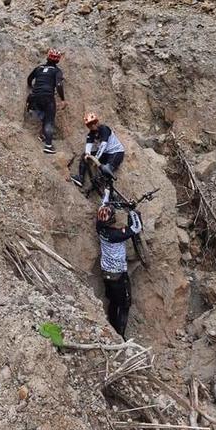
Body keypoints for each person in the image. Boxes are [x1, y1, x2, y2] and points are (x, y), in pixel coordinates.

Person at [96, 201, 140, 338]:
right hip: (118, 275)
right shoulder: (116, 235)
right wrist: (131, 211)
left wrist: (107, 198)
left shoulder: (99, 228)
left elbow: (103, 204)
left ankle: (112, 328)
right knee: (124, 304)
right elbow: (136, 228)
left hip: (106, 274)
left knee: (113, 302)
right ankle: (120, 335)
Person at [26, 49, 66, 155]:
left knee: (43, 114)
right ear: (57, 61)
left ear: (47, 57)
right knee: (49, 120)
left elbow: (29, 78)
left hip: (34, 97)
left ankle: (43, 134)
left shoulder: (39, 68)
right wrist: (62, 99)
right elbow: (58, 85)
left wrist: (32, 87)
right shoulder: (57, 71)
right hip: (47, 97)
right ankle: (48, 145)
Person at [71, 113, 125, 188]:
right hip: (106, 153)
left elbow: (103, 145)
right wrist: (87, 154)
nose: (92, 125)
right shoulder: (91, 134)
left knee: (107, 170)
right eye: (89, 124)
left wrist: (96, 158)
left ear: (97, 122)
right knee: (84, 156)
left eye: (93, 123)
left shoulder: (104, 129)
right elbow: (88, 145)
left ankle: (109, 192)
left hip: (116, 152)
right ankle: (80, 178)